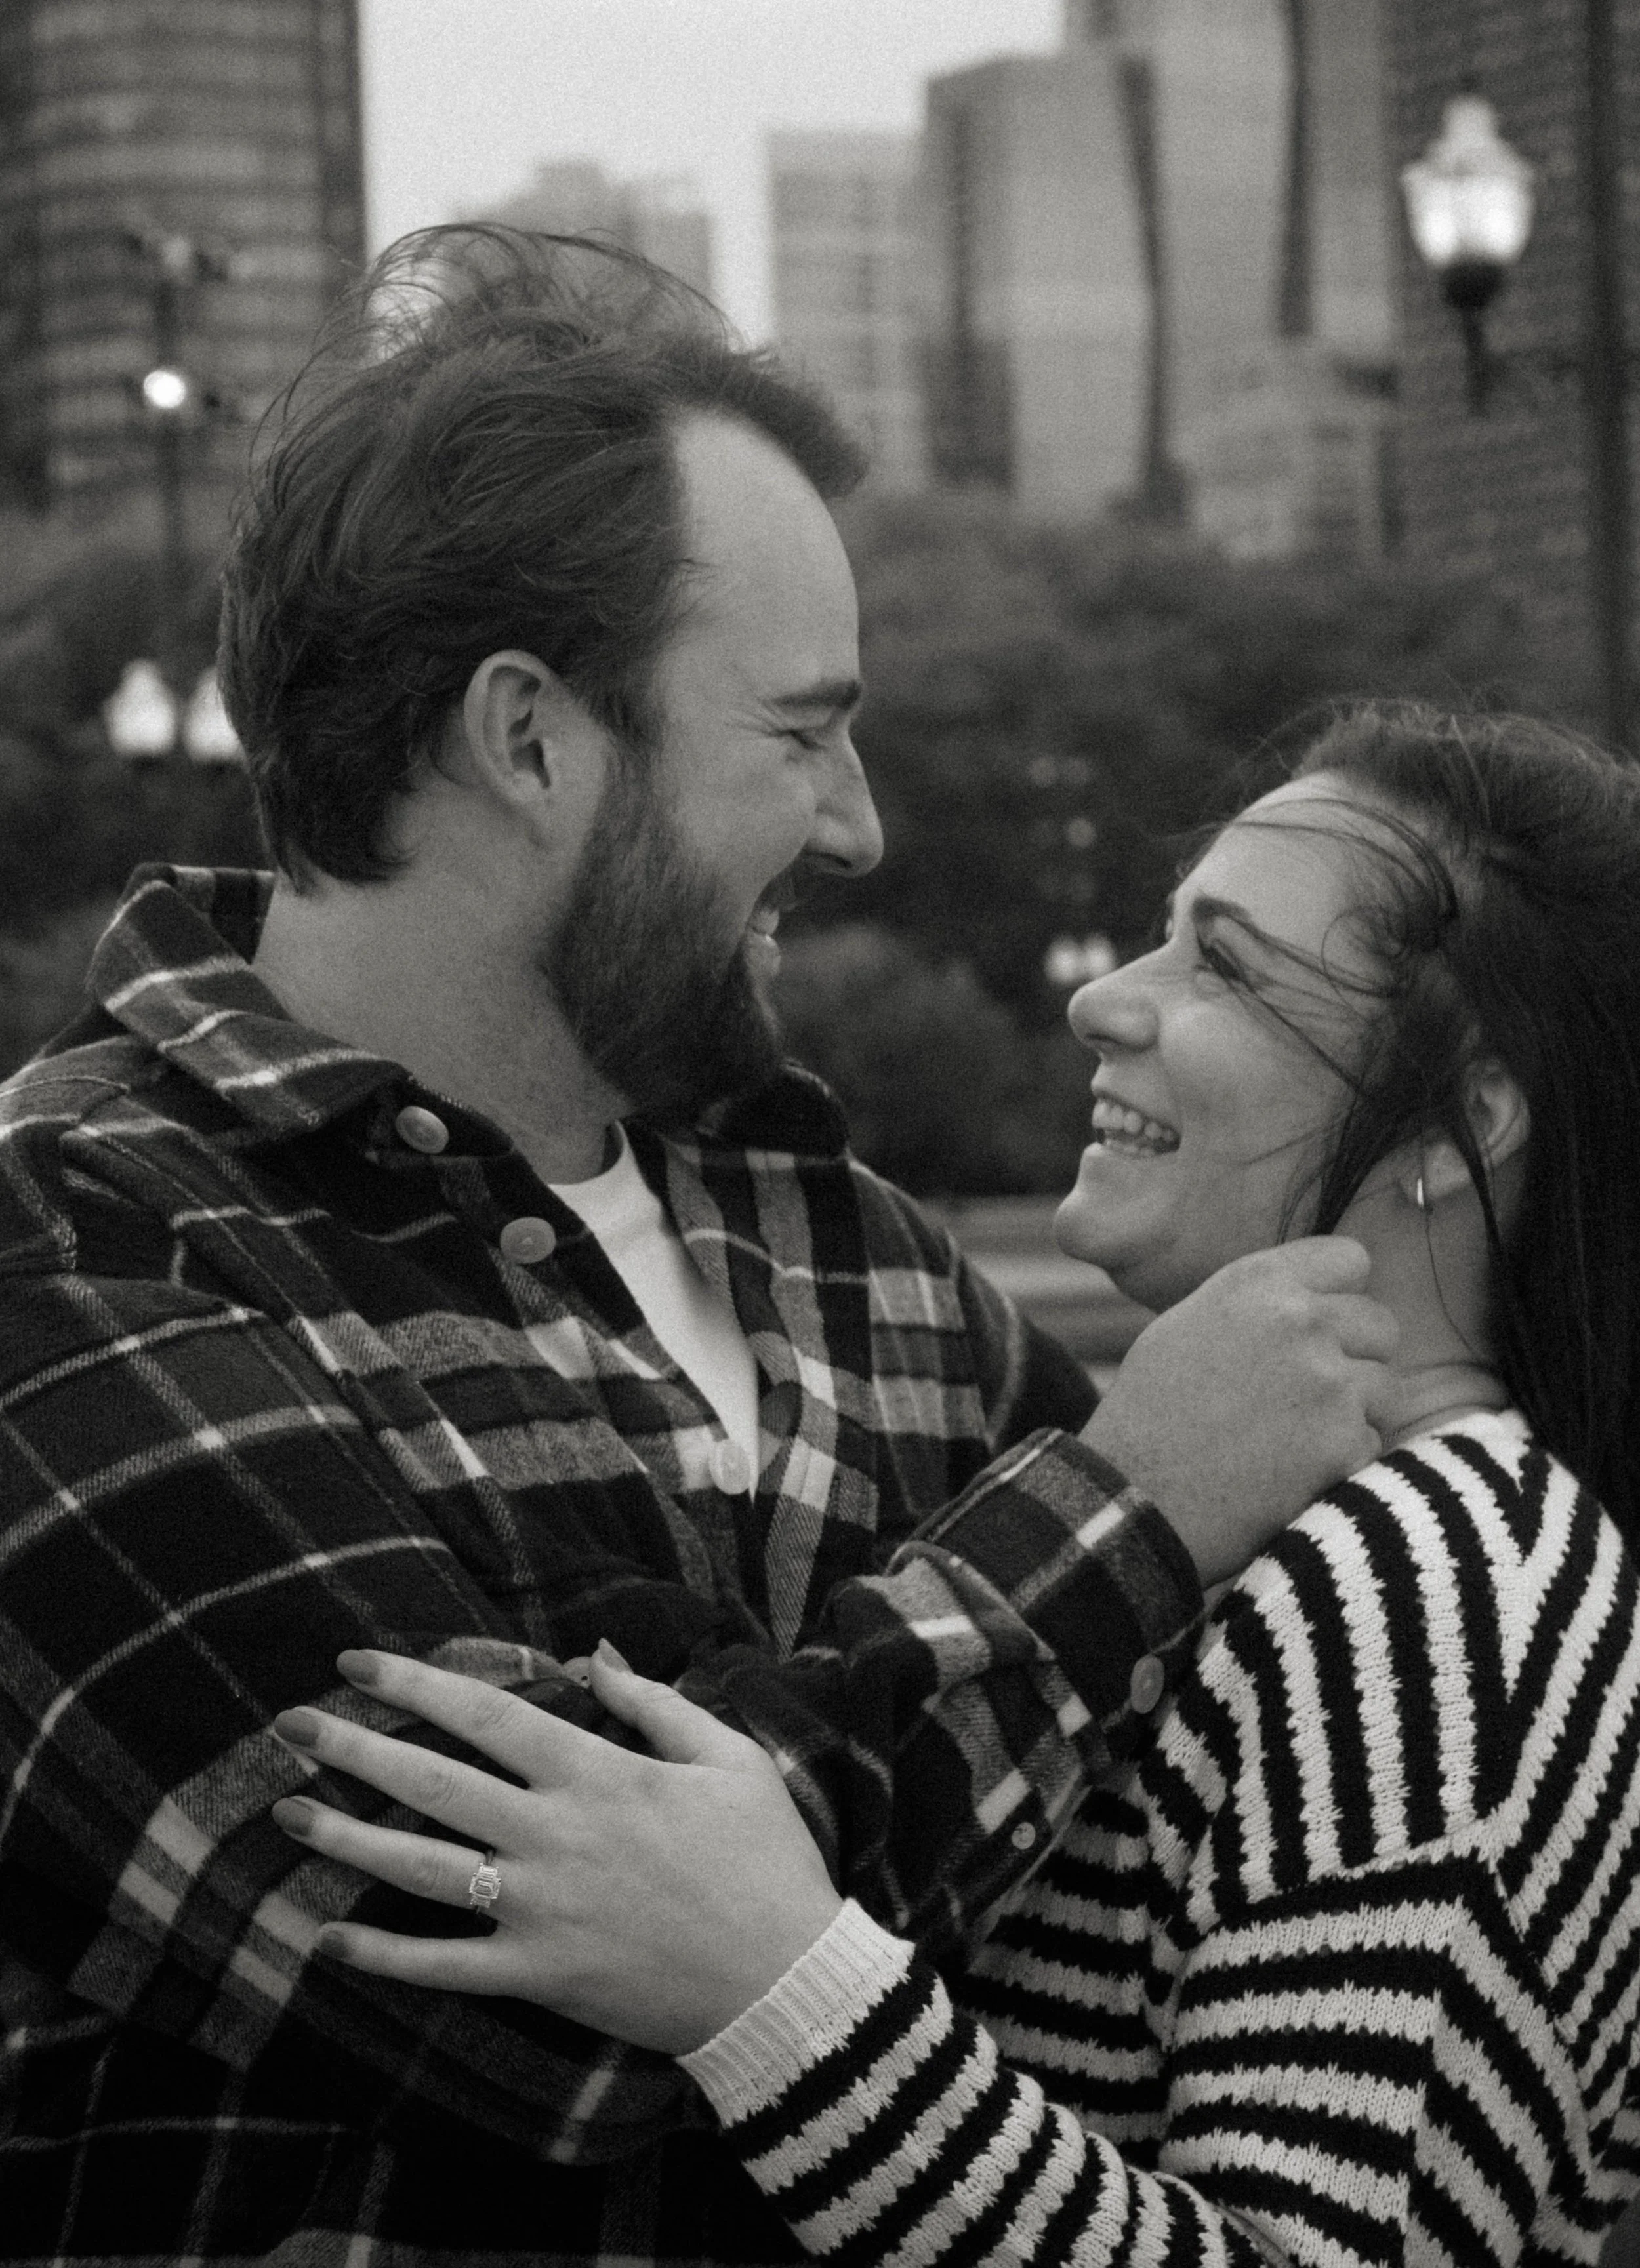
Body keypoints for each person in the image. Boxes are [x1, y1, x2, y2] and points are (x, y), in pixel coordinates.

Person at [0, 230, 1393, 2265]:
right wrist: (1125, 1510)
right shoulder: (82, 1245)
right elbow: (553, 2035)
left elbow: (1123, 1853)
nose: (858, 830)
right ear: (530, 737)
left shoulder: (856, 1254)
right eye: (796, 734)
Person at [272, 702, 1640, 2267]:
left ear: (1465, 1116)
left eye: (1228, 968)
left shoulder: (1438, 1592)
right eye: (1157, 939)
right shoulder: (1291, 1536)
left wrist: (777, 1989)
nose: (1102, 999)